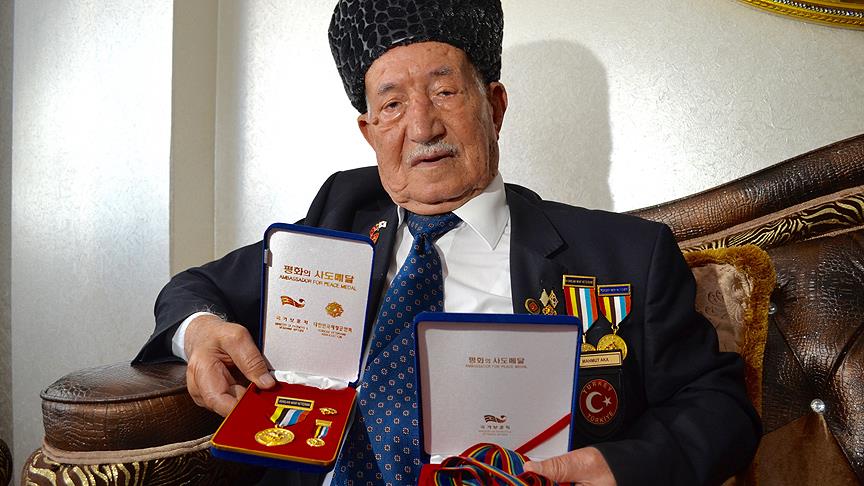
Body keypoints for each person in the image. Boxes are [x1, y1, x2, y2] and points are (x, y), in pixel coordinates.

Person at [135, 1, 760, 484]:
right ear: (369, 132)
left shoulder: (626, 254)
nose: (422, 126)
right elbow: (194, 289)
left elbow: (718, 406)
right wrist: (201, 332)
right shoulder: (338, 220)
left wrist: (619, 466)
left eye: (444, 91)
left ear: (495, 106)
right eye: (391, 105)